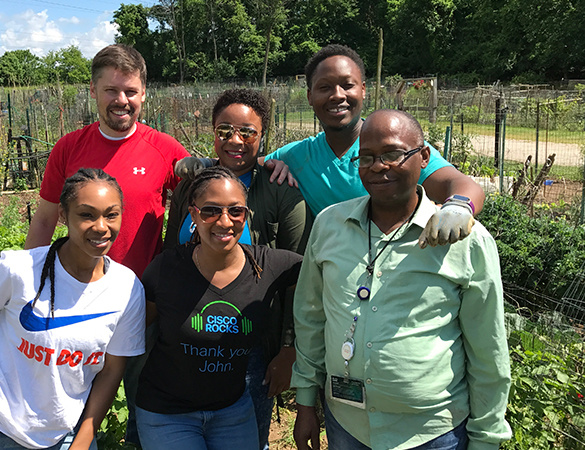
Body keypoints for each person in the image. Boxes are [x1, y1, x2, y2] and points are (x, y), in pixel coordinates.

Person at [291, 109, 511, 450]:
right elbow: (310, 318)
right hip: (347, 426)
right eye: (366, 158)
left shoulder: (465, 240)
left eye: (393, 154)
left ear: (423, 157)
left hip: (432, 434)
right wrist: (306, 400)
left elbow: (488, 351)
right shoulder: (329, 225)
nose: (378, 166)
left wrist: (486, 437)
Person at [0, 168, 146, 450]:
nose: (101, 226)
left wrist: (81, 443)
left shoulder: (127, 288)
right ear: (63, 216)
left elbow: (111, 372)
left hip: (64, 433)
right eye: (86, 215)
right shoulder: (20, 270)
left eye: (111, 214)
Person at [164, 89, 310, 449]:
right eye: (225, 129)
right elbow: (169, 257)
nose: (235, 140)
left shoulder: (280, 191)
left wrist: (288, 349)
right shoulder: (190, 188)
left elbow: (300, 280)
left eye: (248, 132)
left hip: (252, 345)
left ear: (263, 138)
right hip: (186, 339)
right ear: (212, 132)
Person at [136, 166, 302, 450]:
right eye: (211, 211)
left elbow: (328, 271)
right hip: (167, 412)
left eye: (236, 211)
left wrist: (291, 347)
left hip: (232, 410)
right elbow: (136, 331)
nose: (225, 222)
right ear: (193, 214)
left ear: (246, 215)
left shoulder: (270, 266)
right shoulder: (166, 270)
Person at [265, 44, 483, 247]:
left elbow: (459, 183)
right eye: (324, 87)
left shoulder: (398, 148)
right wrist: (271, 165)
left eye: (347, 85)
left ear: (363, 90)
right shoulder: (298, 156)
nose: (337, 95)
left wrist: (458, 206)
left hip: (404, 267)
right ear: (310, 97)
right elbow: (245, 167)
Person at [24, 43, 190, 278]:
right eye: (111, 90)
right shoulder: (68, 148)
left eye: (131, 91)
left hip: (142, 290)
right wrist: (27, 277)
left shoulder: (164, 148)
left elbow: (206, 195)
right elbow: (44, 220)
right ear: (93, 89)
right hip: (78, 287)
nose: (122, 100)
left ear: (143, 93)